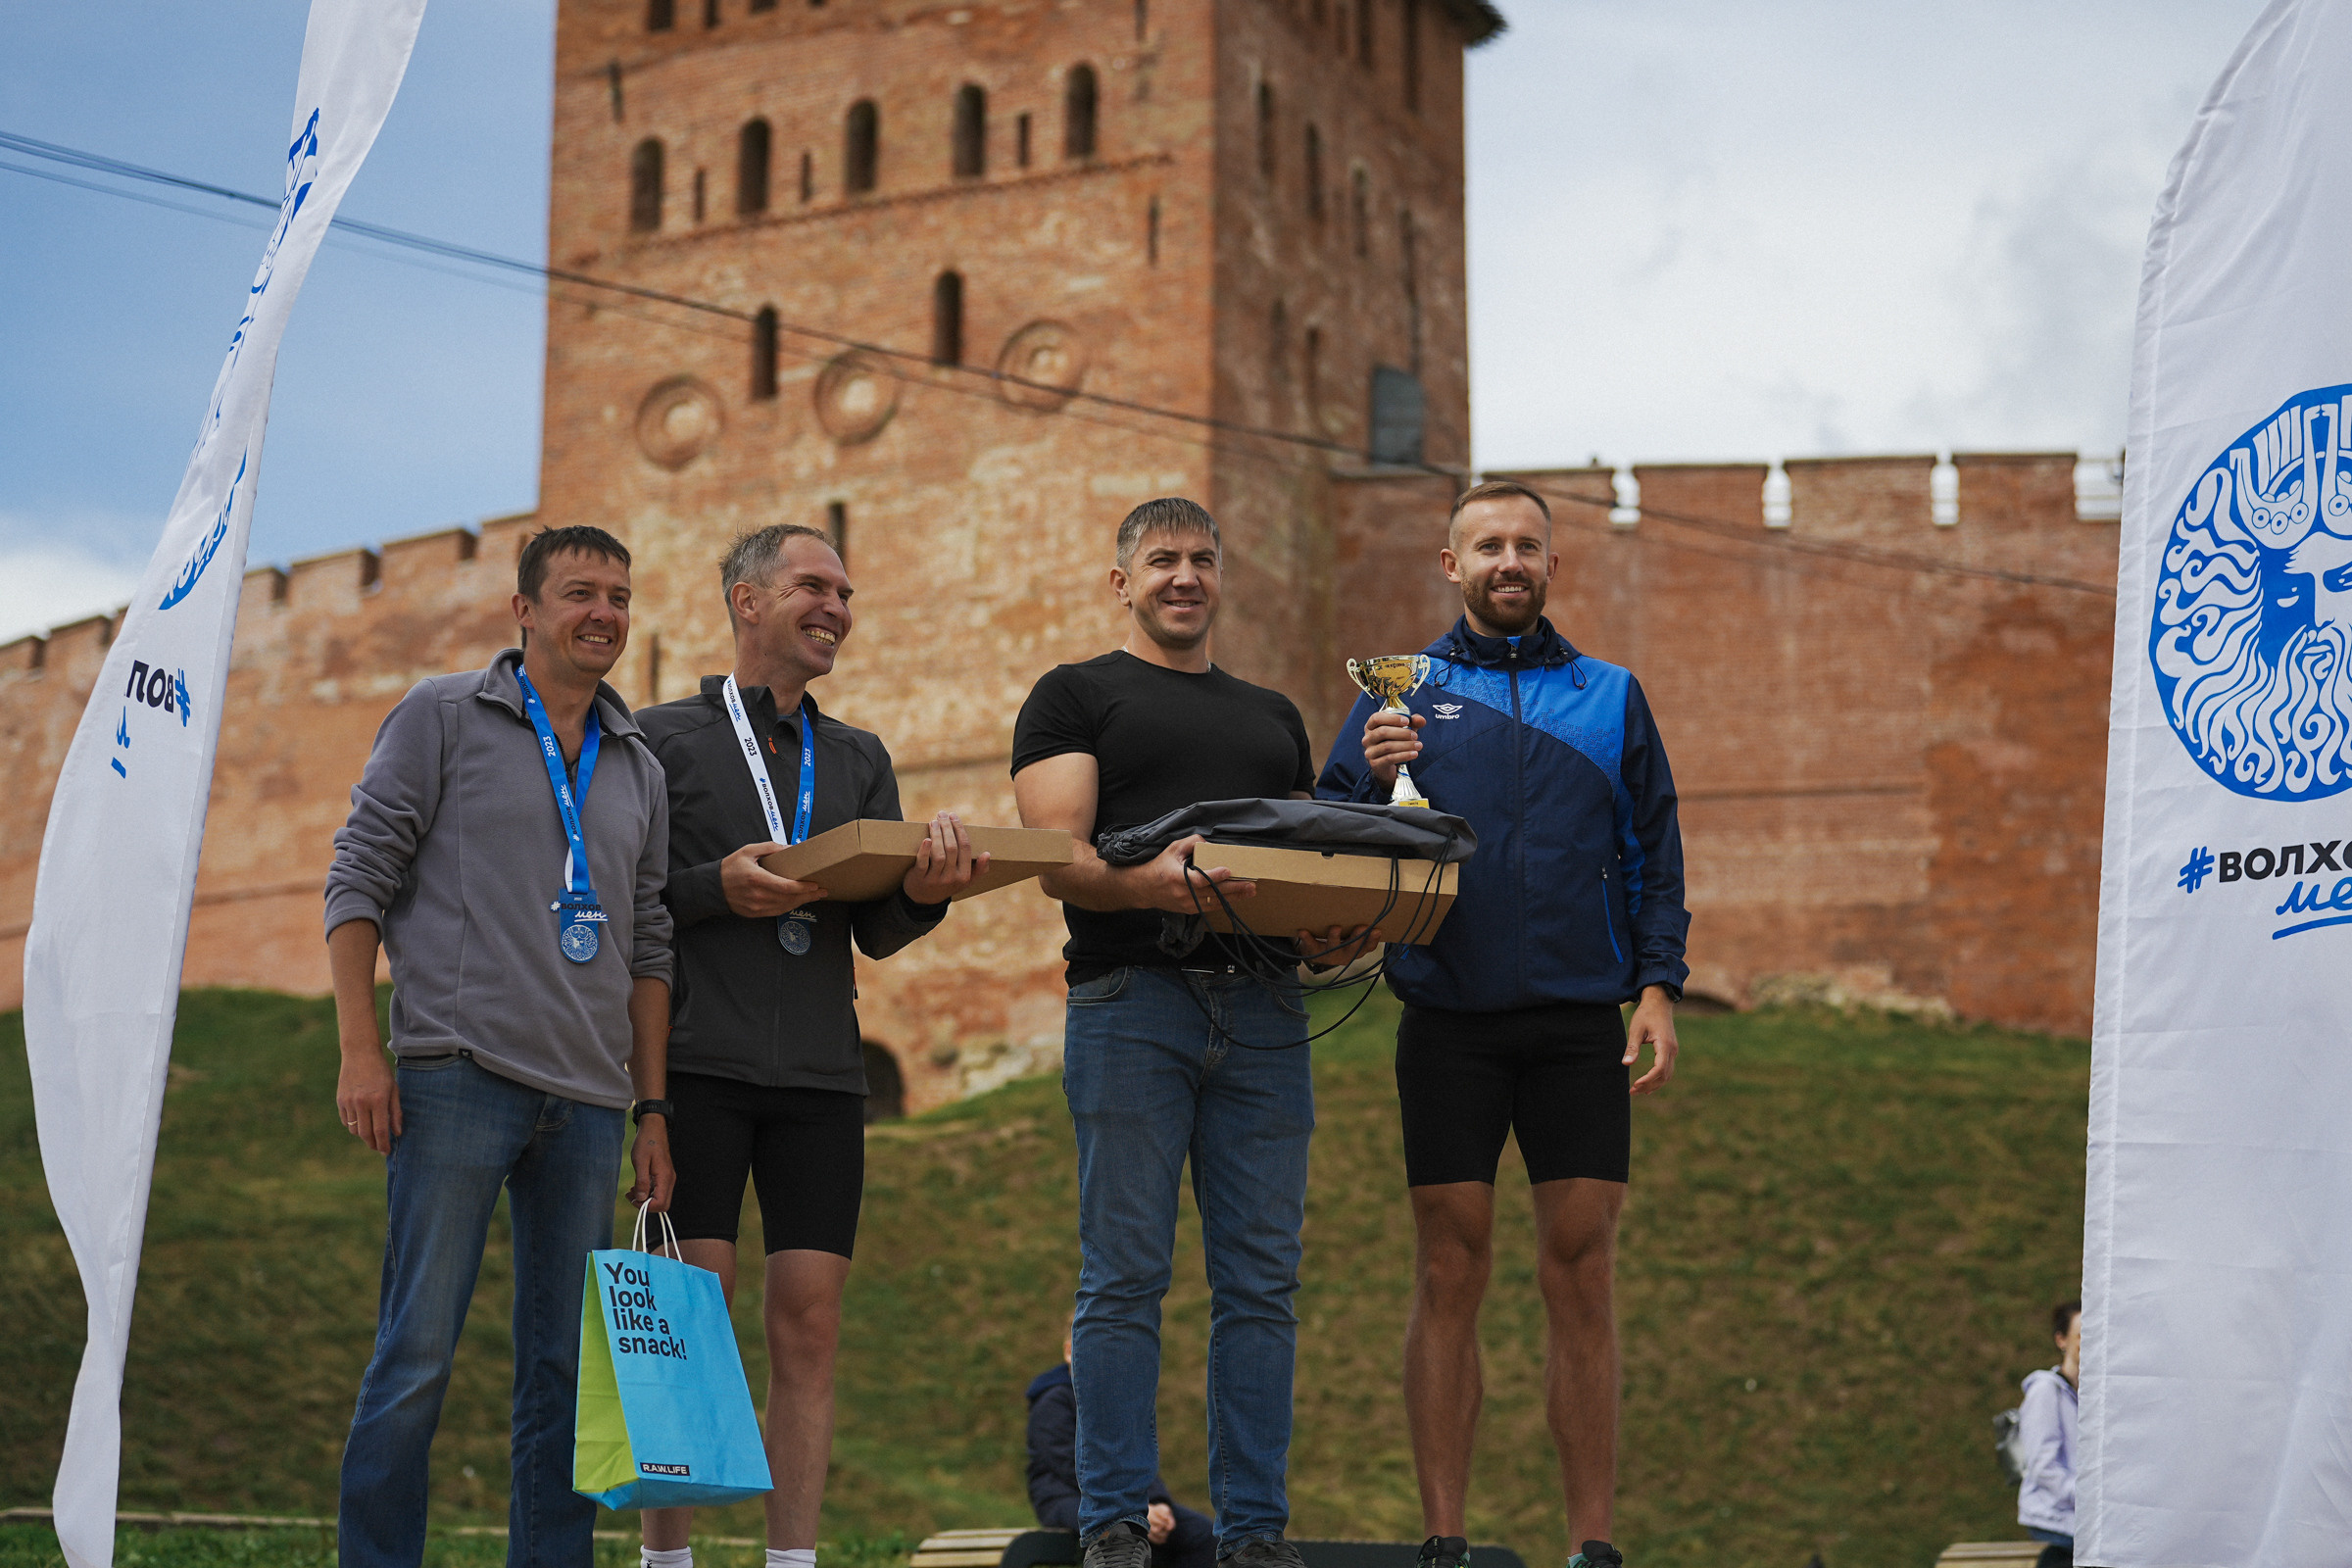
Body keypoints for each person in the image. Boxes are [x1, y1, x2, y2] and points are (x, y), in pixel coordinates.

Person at [1315, 479, 1690, 1568]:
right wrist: (1370, 778)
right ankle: (1443, 1540)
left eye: (1527, 544)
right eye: (1487, 546)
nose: (1508, 561)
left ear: (1552, 564)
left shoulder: (1612, 695)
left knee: (1582, 1268)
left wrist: (1658, 985)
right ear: (1451, 565)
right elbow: (1324, 830)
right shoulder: (1400, 693)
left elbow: (1655, 851)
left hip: (1579, 1021)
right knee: (1449, 1266)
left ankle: (1594, 1546)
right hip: (1448, 1019)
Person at [1011, 497, 1372, 1568]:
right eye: (1161, 559)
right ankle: (1114, 1519)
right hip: (1133, 1003)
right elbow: (1054, 853)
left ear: (1223, 578)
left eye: (1202, 559)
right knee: (1123, 1273)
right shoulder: (1074, 695)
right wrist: (1154, 885)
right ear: (1121, 581)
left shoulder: (1271, 716)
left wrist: (1335, 930)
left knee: (1262, 1282)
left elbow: (1301, 872)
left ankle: (1256, 1534)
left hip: (1265, 1013)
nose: (1184, 576)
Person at [324, 525, 676, 1568]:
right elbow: (358, 879)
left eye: (618, 594)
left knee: (564, 1374)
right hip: (456, 1078)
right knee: (417, 1355)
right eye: (579, 593)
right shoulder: (441, 714)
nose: (604, 612)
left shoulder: (639, 765)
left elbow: (650, 942)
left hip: (588, 1104)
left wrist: (650, 1108)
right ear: (522, 611)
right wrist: (360, 1048)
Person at [634, 523, 984, 1568]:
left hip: (825, 1081)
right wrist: (713, 888)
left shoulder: (860, 756)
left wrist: (926, 891)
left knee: (811, 1326)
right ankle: (668, 1560)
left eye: (845, 591)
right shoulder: (658, 739)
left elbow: (874, 929)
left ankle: (794, 1562)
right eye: (813, 586)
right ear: (746, 601)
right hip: (696, 1067)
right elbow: (616, 900)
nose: (837, 605)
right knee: (687, 1323)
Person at [1028, 1315, 1216, 1568]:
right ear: (1069, 1352)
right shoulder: (1053, 1403)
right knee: (1127, 1532)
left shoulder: (1119, 1402)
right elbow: (1071, 1466)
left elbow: (1142, 1455)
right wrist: (1133, 1507)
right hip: (1066, 1496)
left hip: (1131, 1499)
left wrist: (1158, 1503)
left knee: (1202, 1534)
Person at [2017, 1300, 2081, 1568]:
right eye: (2082, 1335)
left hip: (2086, 1522)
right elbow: (2043, 1467)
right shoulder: (2045, 1391)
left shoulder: (2098, 1398)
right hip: (2056, 1521)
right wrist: (2088, 1498)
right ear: (2061, 1340)